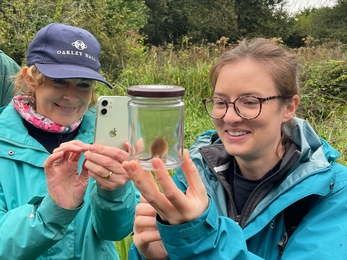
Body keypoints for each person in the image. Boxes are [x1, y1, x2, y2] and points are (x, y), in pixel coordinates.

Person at [123, 38, 347, 259]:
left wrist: (198, 237)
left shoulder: (333, 190)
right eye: (220, 102)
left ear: (289, 107)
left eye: (250, 102)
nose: (229, 117)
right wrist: (161, 255)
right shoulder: (194, 176)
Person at [0, 23, 139, 260]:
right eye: (59, 81)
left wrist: (114, 192)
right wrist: (52, 211)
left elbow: (116, 231)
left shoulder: (106, 142)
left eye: (83, 85)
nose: (72, 96)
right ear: (31, 78)